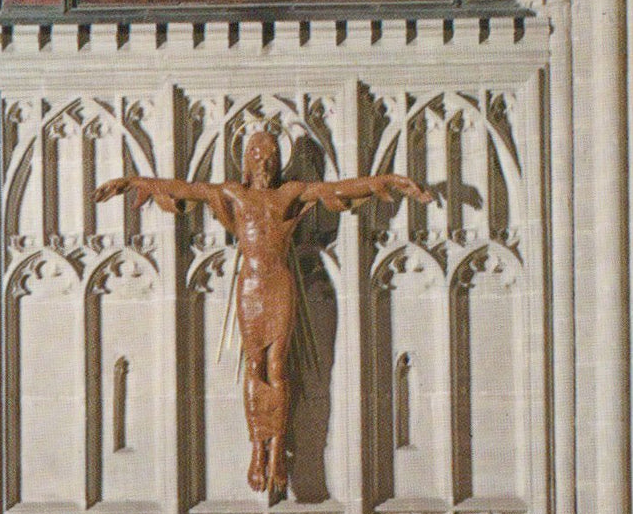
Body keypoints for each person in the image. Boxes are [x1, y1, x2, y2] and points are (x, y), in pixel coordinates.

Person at [93, 130, 433, 492]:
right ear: (245, 158)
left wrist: (384, 181)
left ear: (279, 159)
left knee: (277, 366)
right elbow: (184, 189)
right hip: (251, 285)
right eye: (256, 152)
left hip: (279, 283)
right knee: (254, 366)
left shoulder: (289, 193)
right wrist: (133, 182)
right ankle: (258, 449)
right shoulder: (233, 194)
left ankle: (276, 454)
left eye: (271, 153)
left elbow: (336, 189)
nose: (264, 160)